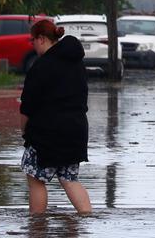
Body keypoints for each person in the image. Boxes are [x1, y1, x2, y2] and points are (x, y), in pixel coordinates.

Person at [20, 18, 93, 215]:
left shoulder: (41, 66)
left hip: (47, 134)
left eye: (32, 40)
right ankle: (86, 220)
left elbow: (27, 106)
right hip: (76, 130)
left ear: (42, 39)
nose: (32, 44)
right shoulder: (77, 63)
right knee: (69, 179)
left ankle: (37, 226)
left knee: (35, 179)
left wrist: (24, 130)